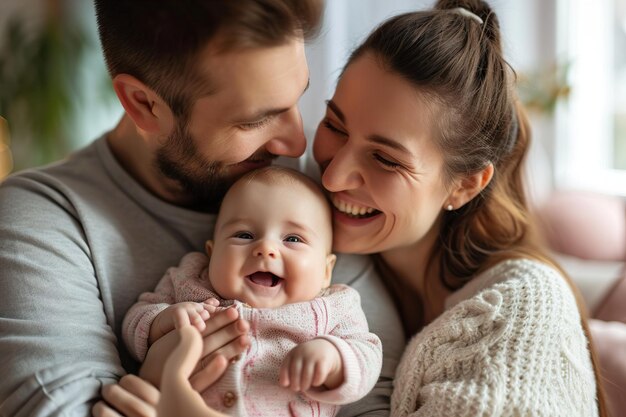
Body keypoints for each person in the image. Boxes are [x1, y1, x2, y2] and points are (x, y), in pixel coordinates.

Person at [98, 0, 610, 416]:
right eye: (336, 125)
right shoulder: (330, 256)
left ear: (464, 185)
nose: (332, 173)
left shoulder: (519, 313)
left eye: (385, 158)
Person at [0, 1, 404, 416]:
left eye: (296, 100)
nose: (298, 145)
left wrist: (156, 392)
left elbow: (377, 402)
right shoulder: (43, 221)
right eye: (254, 120)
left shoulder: (311, 189)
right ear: (144, 104)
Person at [123, 166, 382, 416]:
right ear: (212, 254)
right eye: (244, 235)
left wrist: (334, 357)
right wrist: (163, 321)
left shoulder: (335, 306)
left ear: (326, 271)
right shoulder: (189, 280)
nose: (266, 248)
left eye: (292, 239)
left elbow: (368, 354)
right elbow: (136, 318)